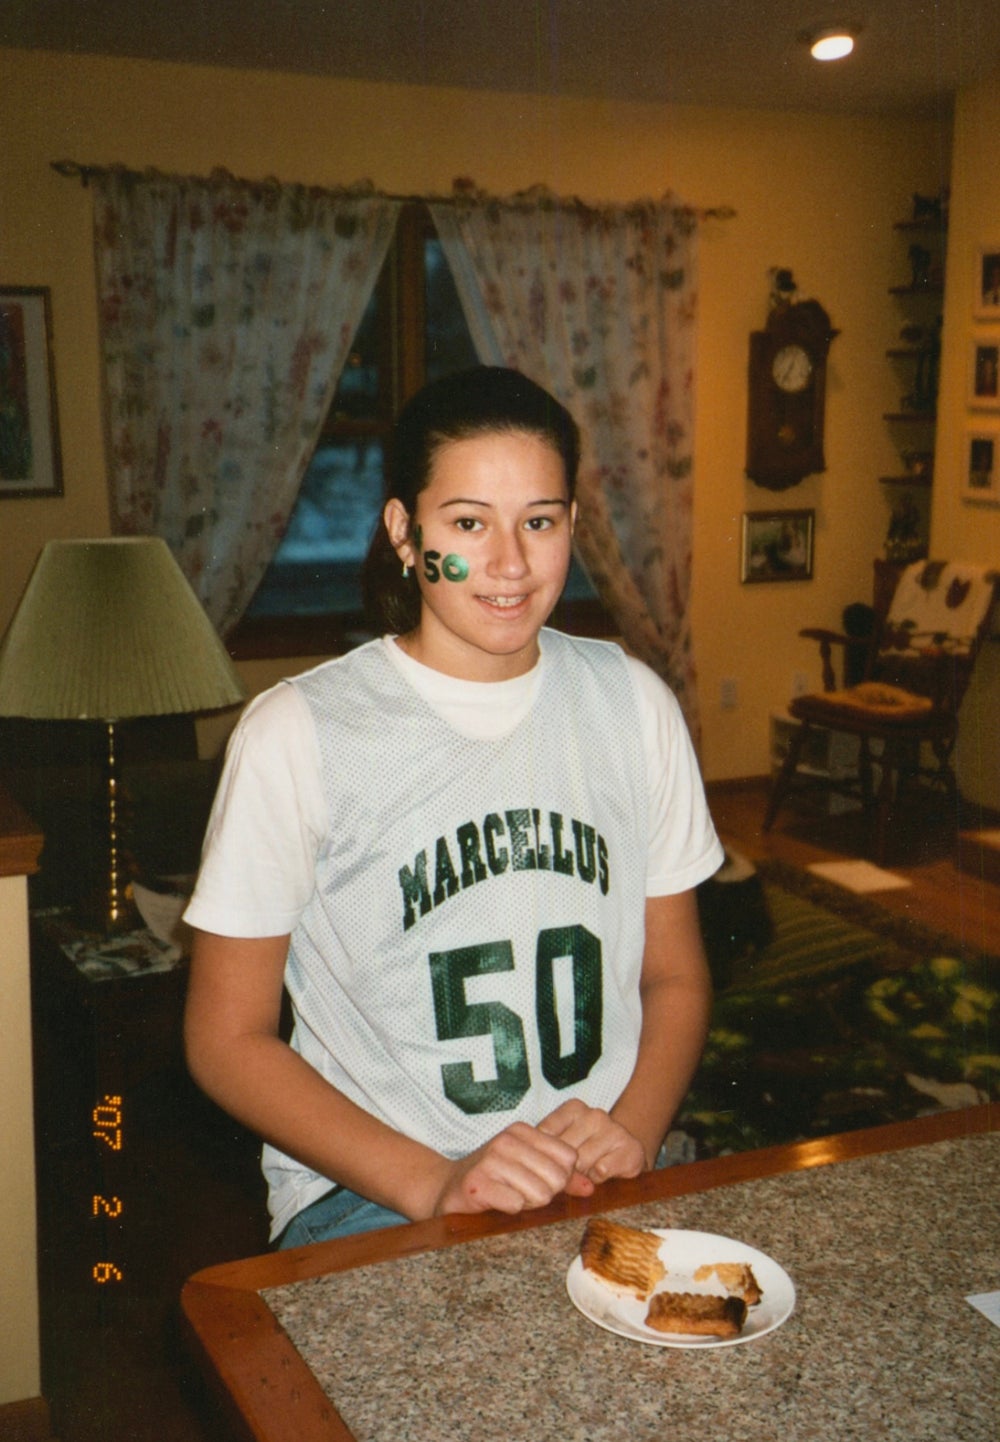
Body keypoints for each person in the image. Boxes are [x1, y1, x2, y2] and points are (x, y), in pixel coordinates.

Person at [183, 365, 724, 1248]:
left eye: (538, 522)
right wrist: (437, 1181)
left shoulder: (633, 705)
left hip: (612, 1165)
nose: (509, 563)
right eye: (469, 523)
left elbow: (676, 976)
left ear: (573, 527)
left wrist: (636, 1124)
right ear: (405, 531)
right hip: (376, 1188)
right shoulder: (298, 734)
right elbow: (225, 1038)